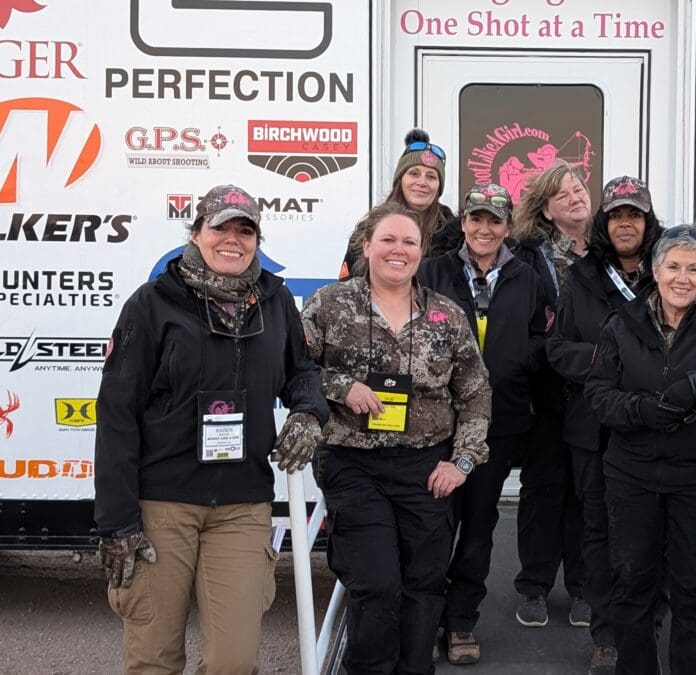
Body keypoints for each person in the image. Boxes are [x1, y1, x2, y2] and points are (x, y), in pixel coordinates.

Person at [93, 184, 329, 674]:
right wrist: (117, 523)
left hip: (242, 505)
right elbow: (116, 415)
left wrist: (308, 412)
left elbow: (302, 372)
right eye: (221, 227)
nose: (233, 240)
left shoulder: (275, 300)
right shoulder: (153, 303)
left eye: (246, 231)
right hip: (162, 505)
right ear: (197, 231)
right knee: (154, 658)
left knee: (234, 660)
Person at [301, 202, 492, 674]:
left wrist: (462, 461)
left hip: (426, 467)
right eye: (387, 239)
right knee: (376, 581)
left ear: (422, 251)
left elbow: (476, 393)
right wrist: (341, 387)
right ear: (366, 246)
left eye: (409, 241)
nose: (398, 250)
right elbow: (295, 371)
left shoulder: (446, 315)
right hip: (352, 464)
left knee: (424, 582)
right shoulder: (328, 304)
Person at [584, 224, 696, 675]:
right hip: (632, 474)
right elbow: (597, 394)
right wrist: (641, 409)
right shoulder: (622, 323)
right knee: (632, 583)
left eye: (694, 269)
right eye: (674, 266)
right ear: (655, 270)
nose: (683, 277)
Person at [418, 182, 547, 665]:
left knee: (478, 525)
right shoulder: (431, 272)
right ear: (464, 224)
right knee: (432, 525)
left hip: (499, 422)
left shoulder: (527, 278)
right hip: (434, 423)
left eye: (495, 220)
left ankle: (461, 621)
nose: (485, 228)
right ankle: (426, 620)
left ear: (508, 226)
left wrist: (513, 370)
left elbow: (538, 340)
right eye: (476, 219)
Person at [546, 176, 662, 674]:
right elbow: (558, 350)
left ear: (648, 221)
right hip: (593, 429)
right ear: (605, 222)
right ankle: (607, 635)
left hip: (658, 428)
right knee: (599, 531)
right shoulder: (581, 277)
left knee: (652, 532)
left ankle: (648, 624)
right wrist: (612, 359)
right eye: (617, 215)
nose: (625, 224)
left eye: (634, 215)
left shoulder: (673, 271)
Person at [511, 160, 589, 628]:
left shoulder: (607, 251)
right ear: (546, 210)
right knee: (542, 489)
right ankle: (533, 587)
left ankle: (583, 588)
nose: (575, 197)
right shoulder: (527, 255)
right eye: (562, 194)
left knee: (586, 492)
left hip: (595, 394)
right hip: (544, 392)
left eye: (578, 188)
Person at [340, 128, 459, 280]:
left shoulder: (454, 236)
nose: (422, 182)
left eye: (431, 177)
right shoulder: (369, 228)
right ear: (400, 179)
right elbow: (345, 289)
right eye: (414, 173)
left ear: (439, 186)